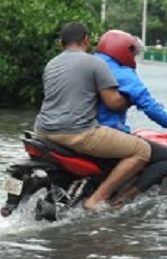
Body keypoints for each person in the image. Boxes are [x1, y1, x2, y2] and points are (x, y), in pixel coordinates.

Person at [35, 21, 151, 211]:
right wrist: (132, 98)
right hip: (77, 133)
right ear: (86, 40)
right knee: (142, 150)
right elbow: (113, 102)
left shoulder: (52, 64)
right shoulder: (95, 63)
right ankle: (97, 199)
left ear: (61, 43)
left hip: (43, 130)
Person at [94, 30, 167, 205]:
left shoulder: (91, 64)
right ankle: (123, 199)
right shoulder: (123, 73)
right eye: (133, 53)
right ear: (124, 50)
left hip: (76, 128)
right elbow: (149, 105)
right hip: (107, 133)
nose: (134, 58)